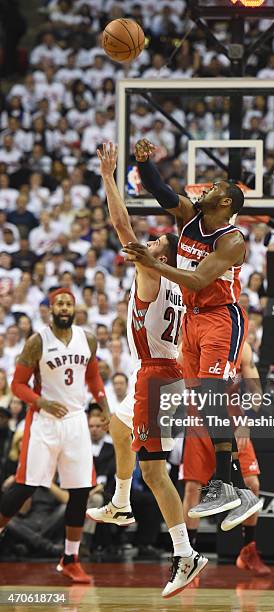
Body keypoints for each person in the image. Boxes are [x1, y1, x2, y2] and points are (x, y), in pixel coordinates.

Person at [86, 143, 207, 598]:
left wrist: (109, 175)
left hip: (156, 377)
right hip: (163, 371)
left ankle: (185, 553)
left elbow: (120, 224)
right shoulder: (175, 281)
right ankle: (119, 503)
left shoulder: (153, 271)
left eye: (157, 240)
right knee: (118, 427)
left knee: (154, 473)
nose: (149, 239)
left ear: (164, 253)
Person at [123, 138, 260, 525]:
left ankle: (230, 486)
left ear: (226, 203)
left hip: (220, 316)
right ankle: (233, 488)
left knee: (215, 396)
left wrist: (152, 262)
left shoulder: (233, 241)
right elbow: (162, 191)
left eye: (214, 188)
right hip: (192, 319)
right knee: (202, 401)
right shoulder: (190, 217)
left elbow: (199, 278)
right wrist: (144, 164)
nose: (206, 188)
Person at [0, 288, 111, 583]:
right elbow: (18, 384)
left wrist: (104, 405)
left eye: (68, 304)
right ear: (50, 309)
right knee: (26, 486)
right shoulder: (38, 342)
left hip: (76, 421)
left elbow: (93, 376)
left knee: (80, 490)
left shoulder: (86, 339)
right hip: (44, 421)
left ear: (74, 309)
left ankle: (70, 558)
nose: (64, 308)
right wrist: (40, 402)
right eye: (59, 303)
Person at [181, 342, 268, 574]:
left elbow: (256, 392)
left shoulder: (242, 347)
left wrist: (246, 421)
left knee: (252, 484)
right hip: (198, 422)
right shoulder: (189, 344)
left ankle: (248, 551)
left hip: (231, 419)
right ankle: (189, 558)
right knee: (192, 489)